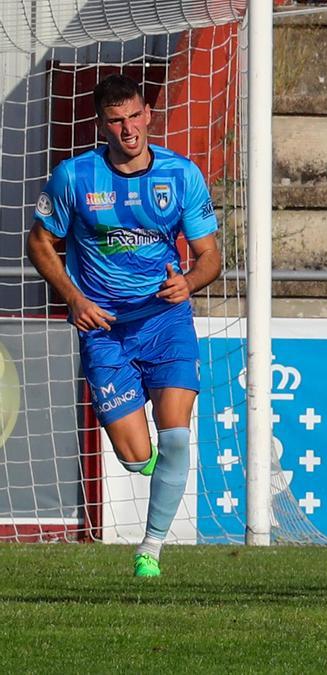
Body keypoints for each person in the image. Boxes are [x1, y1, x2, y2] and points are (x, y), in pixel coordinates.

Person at [27, 74, 222, 577]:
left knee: (176, 436)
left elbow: (208, 258)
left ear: (148, 115)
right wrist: (73, 298)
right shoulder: (74, 177)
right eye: (116, 120)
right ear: (102, 124)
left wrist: (190, 283)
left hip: (164, 320)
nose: (128, 128)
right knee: (137, 457)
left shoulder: (181, 176)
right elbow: (39, 243)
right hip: (104, 328)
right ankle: (159, 477)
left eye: (135, 116)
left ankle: (150, 549)